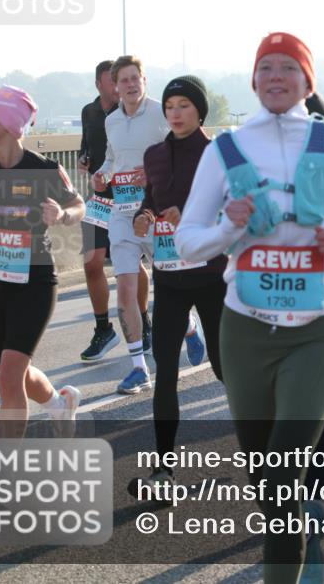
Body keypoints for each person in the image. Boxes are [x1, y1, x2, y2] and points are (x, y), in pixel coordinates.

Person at [175, 33, 324, 583]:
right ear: (252, 80)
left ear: (307, 81)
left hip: (317, 330)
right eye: (265, 67)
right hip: (244, 332)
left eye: (288, 68)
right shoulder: (224, 150)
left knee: (281, 471)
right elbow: (186, 241)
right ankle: (301, 528)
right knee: (265, 479)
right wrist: (229, 226)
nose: (275, 77)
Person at [0, 86, 85, 437]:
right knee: (17, 374)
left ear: (8, 122)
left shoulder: (44, 169)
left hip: (34, 284)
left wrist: (63, 214)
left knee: (8, 377)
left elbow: (78, 204)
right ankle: (58, 404)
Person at [125, 76, 223, 498]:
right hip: (170, 278)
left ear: (200, 110)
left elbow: (239, 207)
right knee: (165, 372)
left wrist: (196, 216)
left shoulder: (219, 152)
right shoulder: (155, 154)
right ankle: (164, 474)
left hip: (214, 276)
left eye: (184, 105)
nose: (175, 113)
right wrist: (143, 216)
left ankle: (271, 460)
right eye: (169, 106)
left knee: (226, 371)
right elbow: (151, 196)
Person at [91, 55, 172, 394]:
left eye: (134, 78)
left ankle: (190, 328)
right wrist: (103, 173)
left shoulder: (161, 112)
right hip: (123, 210)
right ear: (115, 86)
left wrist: (152, 172)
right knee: (125, 282)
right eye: (123, 80)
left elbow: (178, 151)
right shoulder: (111, 120)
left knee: (172, 283)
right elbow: (113, 156)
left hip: (158, 211)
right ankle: (138, 366)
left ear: (144, 79)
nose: (130, 84)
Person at [78, 60, 150, 362]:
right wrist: (86, 161)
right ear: (101, 84)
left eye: (125, 81)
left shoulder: (133, 113)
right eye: (114, 81)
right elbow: (90, 148)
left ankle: (143, 322)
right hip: (101, 197)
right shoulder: (90, 112)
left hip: (130, 199)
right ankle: (103, 328)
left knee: (131, 266)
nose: (120, 87)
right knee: (92, 263)